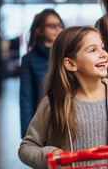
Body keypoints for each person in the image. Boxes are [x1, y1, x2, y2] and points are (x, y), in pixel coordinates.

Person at [18, 26, 108, 169]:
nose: (103, 54)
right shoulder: (54, 102)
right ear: (71, 64)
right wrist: (52, 154)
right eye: (92, 50)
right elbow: (26, 148)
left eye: (102, 47)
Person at [20, 8, 64, 138]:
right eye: (52, 26)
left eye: (60, 25)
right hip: (42, 124)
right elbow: (26, 98)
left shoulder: (67, 55)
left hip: (65, 121)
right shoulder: (29, 60)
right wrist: (27, 136)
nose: (58, 29)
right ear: (38, 30)